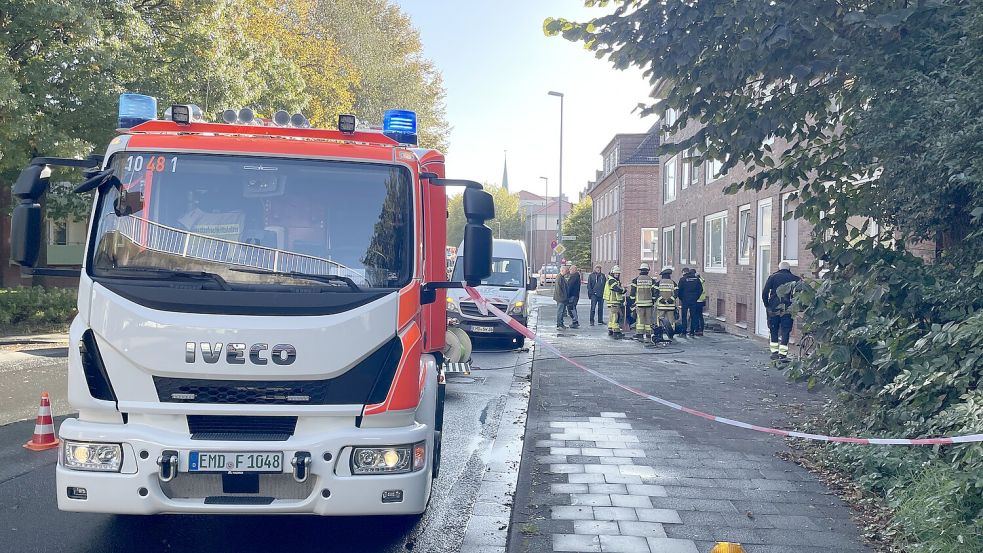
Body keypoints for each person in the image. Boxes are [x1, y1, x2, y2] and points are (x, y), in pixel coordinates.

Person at [762, 260, 801, 360]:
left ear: (779, 268)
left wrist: (767, 306)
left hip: (774, 308)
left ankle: (774, 353)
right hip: (788, 308)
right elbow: (799, 295)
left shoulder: (773, 277)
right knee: (786, 330)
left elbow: (765, 293)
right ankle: (783, 354)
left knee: (773, 329)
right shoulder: (796, 279)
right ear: (789, 269)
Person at [629, 263, 656, 342]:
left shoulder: (635, 280)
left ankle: (640, 333)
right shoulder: (652, 280)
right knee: (649, 319)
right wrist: (653, 301)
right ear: (648, 271)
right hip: (649, 303)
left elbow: (632, 293)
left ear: (640, 271)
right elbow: (654, 293)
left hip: (639, 303)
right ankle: (648, 333)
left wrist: (632, 301)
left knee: (640, 319)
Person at [677, 267, 704, 337]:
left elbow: (678, 290)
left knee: (684, 316)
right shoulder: (696, 279)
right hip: (694, 300)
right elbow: (700, 289)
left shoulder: (683, 279)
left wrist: (682, 298)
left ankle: (684, 332)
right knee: (693, 316)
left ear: (684, 272)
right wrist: (696, 297)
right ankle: (692, 331)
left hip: (685, 300)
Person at [655, 266, 678, 340]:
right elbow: (676, 293)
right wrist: (670, 300)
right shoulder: (673, 283)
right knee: (671, 320)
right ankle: (671, 334)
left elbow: (655, 293)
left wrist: (661, 299)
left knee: (660, 320)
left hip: (661, 306)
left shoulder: (659, 283)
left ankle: (659, 333)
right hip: (670, 306)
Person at [603, 265, 625, 338]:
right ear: (612, 273)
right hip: (613, 301)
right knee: (616, 316)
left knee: (612, 316)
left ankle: (611, 329)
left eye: (618, 274)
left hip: (611, 301)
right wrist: (623, 290)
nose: (617, 275)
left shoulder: (611, 280)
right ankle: (616, 331)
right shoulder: (612, 280)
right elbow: (616, 288)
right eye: (616, 274)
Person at [566, 263, 582, 328]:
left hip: (573, 295)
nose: (569, 271)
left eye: (570, 269)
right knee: (572, 308)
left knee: (572, 308)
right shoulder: (576, 276)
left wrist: (568, 295)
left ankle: (575, 321)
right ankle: (575, 321)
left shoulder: (574, 277)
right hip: (574, 295)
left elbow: (570, 287)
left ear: (574, 270)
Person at [695, 270, 706, 336]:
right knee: (700, 316)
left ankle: (697, 330)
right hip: (702, 300)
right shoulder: (702, 280)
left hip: (697, 300)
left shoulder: (697, 281)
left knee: (696, 316)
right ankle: (701, 329)